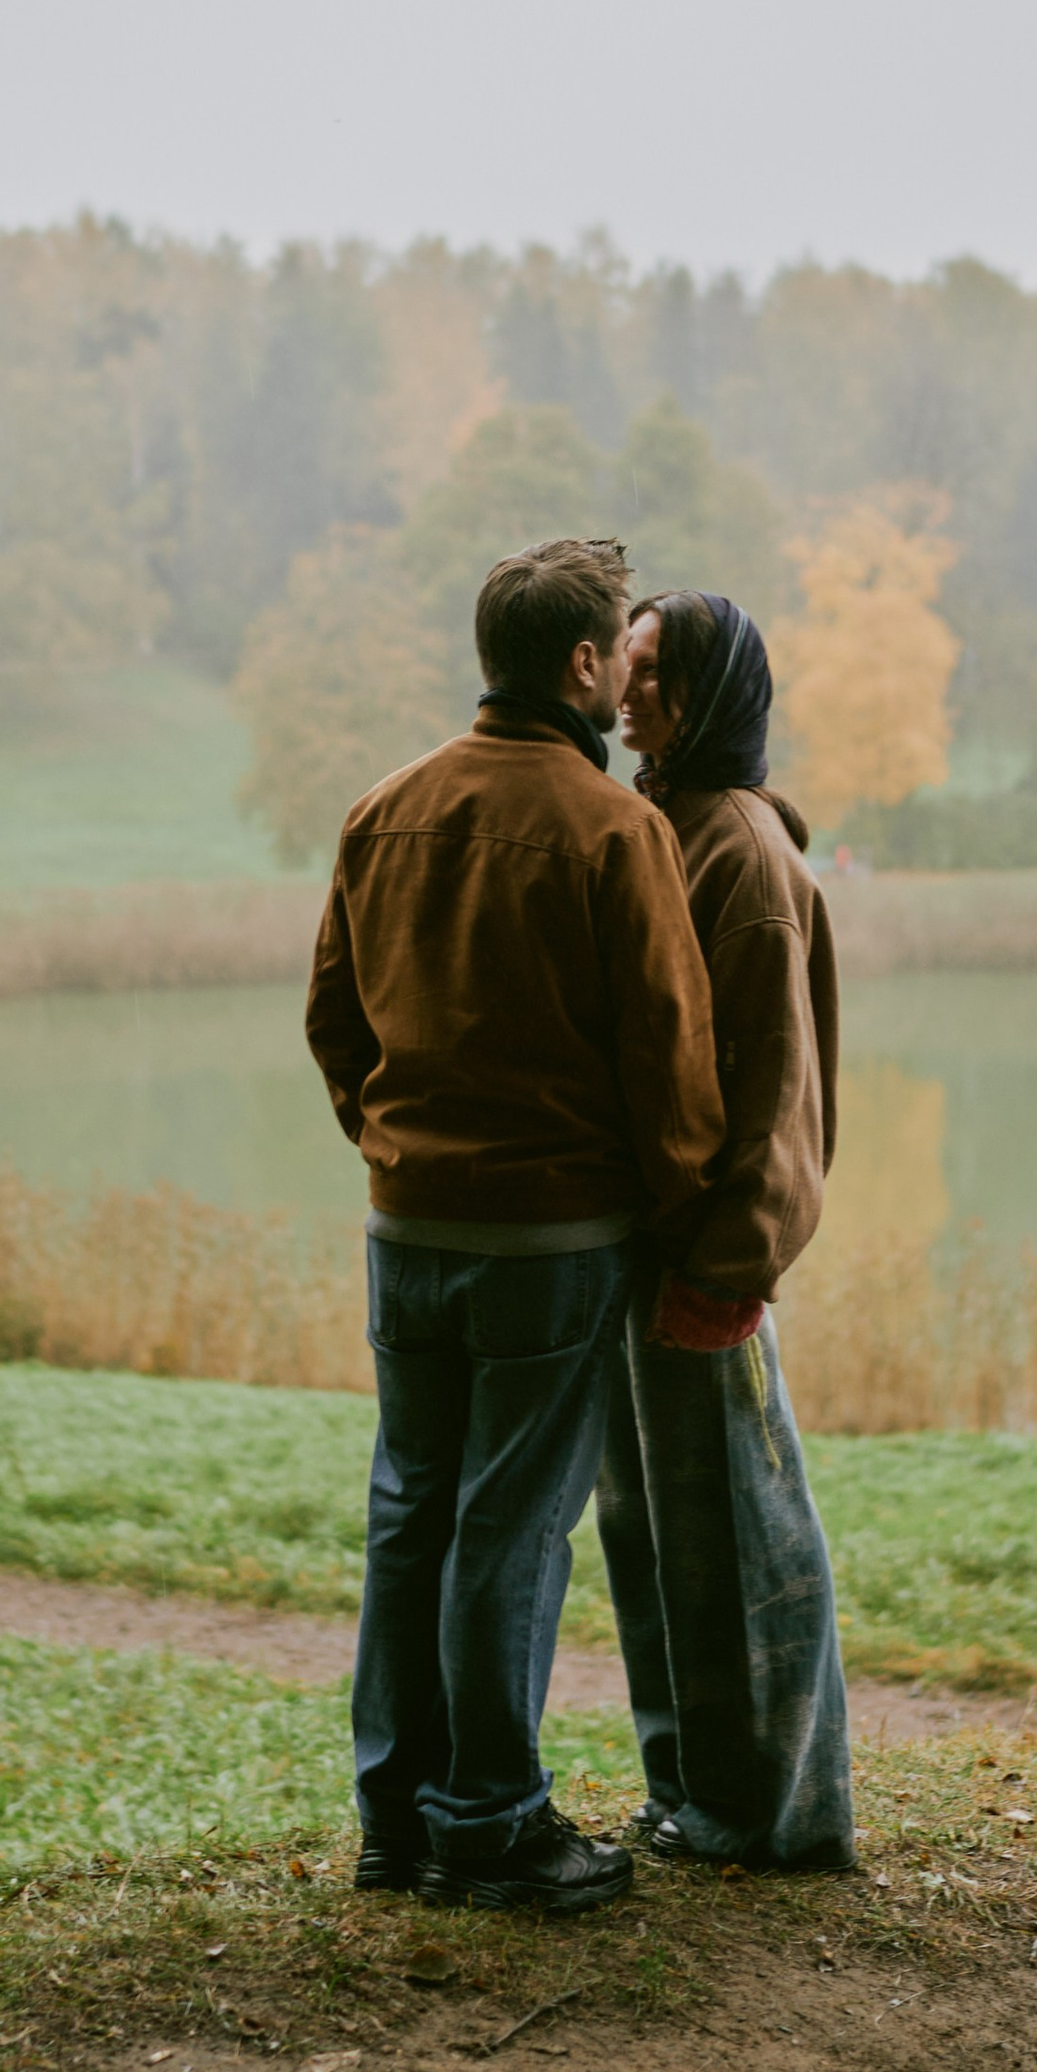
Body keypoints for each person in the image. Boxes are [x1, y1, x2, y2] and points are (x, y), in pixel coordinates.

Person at [305, 537, 725, 1916]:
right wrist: (686, 1220)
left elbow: (333, 1021)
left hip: (405, 1231)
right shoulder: (618, 830)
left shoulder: (384, 810)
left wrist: (391, 1145)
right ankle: (487, 1819)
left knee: (408, 1511)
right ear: (585, 665)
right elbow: (671, 1060)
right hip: (551, 1249)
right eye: (617, 650)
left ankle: (394, 1819)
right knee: (508, 1530)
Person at [599, 589, 856, 1873]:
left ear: (712, 697)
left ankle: (777, 1817)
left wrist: (728, 1268)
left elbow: (777, 1100)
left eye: (652, 672)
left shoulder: (742, 856)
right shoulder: (660, 817)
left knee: (741, 1550)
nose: (627, 690)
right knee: (650, 1538)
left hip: (704, 1268)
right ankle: (689, 1795)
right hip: (643, 1256)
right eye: (625, 666)